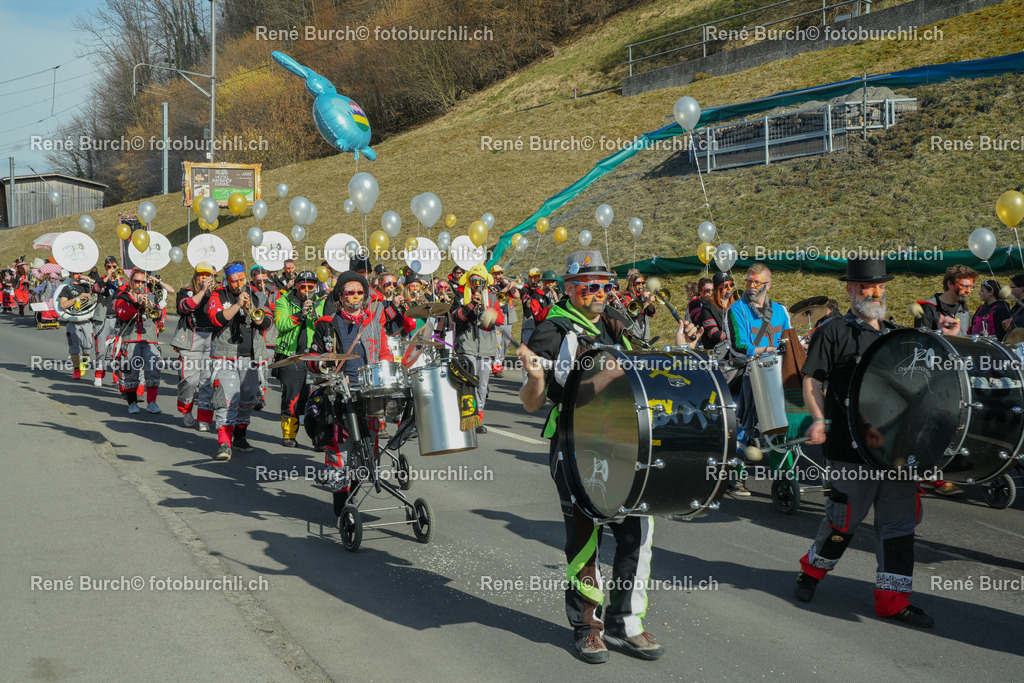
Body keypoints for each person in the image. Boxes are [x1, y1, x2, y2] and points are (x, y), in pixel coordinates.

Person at [518, 250, 701, 664]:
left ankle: (625, 622)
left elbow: (645, 370)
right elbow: (532, 403)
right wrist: (534, 377)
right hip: (576, 446)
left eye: (606, 285)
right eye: (591, 287)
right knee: (586, 539)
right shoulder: (553, 330)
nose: (601, 293)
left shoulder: (618, 321)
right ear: (570, 289)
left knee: (638, 532)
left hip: (625, 444)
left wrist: (677, 351)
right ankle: (588, 626)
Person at [794, 256, 957, 628]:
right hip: (850, 447)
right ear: (850, 289)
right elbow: (812, 381)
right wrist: (818, 418)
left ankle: (893, 600)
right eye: (867, 287)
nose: (875, 292)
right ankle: (811, 574)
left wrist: (946, 339)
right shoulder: (832, 331)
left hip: (895, 448)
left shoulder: (894, 334)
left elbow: (919, 384)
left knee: (899, 525)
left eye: (880, 287)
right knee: (843, 522)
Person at [306, 271, 393, 519]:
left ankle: (353, 491)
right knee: (340, 450)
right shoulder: (327, 324)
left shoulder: (375, 324)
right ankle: (340, 497)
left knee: (368, 451)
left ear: (365, 296)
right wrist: (324, 365)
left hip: (369, 394)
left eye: (359, 292)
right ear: (340, 297)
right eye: (350, 292)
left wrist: (386, 369)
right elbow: (313, 358)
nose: (355, 296)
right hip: (339, 394)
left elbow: (386, 353)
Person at [726, 264, 791, 494]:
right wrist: (767, 350)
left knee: (780, 426)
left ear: (767, 285)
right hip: (748, 372)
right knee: (743, 426)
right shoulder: (736, 310)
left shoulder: (782, 311)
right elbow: (738, 346)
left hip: (776, 374)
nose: (751, 286)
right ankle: (736, 477)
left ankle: (784, 479)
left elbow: (789, 340)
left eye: (756, 282)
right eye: (748, 282)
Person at [914, 264, 977, 496]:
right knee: (929, 427)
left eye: (971, 286)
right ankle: (921, 476)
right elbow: (922, 349)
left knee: (949, 426)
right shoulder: (928, 309)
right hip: (932, 378)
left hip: (956, 375)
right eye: (964, 286)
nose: (969, 290)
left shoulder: (963, 307)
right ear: (950, 284)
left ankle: (933, 474)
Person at [206, 261, 273, 460]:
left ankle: (240, 436)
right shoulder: (218, 295)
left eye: (241, 280)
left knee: (247, 400)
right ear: (227, 280)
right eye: (234, 281)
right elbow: (216, 319)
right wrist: (237, 305)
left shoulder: (258, 295)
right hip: (226, 355)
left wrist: (252, 308)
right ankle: (224, 442)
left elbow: (267, 323)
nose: (238, 284)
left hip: (251, 356)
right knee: (227, 399)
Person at [274, 270, 327, 447]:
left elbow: (325, 324)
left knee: (320, 398)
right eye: (302, 286)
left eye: (310, 286)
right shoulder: (284, 301)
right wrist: (300, 315)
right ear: (296, 286)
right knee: (292, 397)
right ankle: (289, 435)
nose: (306, 289)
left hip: (314, 356)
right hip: (292, 356)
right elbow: (280, 325)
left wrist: (315, 314)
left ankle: (320, 438)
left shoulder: (320, 302)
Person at [451, 265, 504, 434]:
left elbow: (500, 320)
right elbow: (456, 318)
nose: (477, 284)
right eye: (474, 281)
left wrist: (488, 310)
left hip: (486, 347)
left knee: (482, 385)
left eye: (481, 281)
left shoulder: (492, 297)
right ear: (469, 280)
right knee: (467, 383)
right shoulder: (460, 295)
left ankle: (478, 420)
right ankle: (465, 417)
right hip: (467, 345)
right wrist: (471, 305)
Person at [113, 268, 169, 414]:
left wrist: (152, 307)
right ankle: (132, 403)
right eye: (136, 281)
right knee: (131, 373)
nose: (139, 284)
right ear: (131, 282)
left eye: (142, 282)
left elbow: (158, 316)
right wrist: (137, 304)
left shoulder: (150, 296)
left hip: (149, 340)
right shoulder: (122, 296)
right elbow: (123, 315)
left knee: (153, 372)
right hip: (130, 340)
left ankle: (152, 403)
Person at [171, 262, 217, 430]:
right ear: (195, 275)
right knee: (190, 380)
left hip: (211, 338)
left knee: (207, 381)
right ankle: (186, 410)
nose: (204, 278)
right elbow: (184, 307)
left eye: (208, 275)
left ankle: (204, 417)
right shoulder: (186, 291)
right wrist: (203, 291)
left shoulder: (217, 293)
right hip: (191, 337)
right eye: (201, 274)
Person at [91, 257, 125, 387]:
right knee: (101, 350)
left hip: (117, 320)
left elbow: (125, 292)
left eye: (114, 267)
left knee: (116, 351)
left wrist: (117, 279)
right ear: (105, 267)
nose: (112, 269)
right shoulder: (101, 280)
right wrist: (106, 278)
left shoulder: (121, 281)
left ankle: (117, 378)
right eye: (109, 267)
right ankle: (99, 375)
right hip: (103, 319)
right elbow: (95, 289)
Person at [56, 271, 97, 380]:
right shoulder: (67, 288)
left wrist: (88, 280)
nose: (77, 274)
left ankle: (83, 361)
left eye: (79, 272)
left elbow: (100, 286)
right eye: (75, 273)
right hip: (72, 320)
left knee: (89, 346)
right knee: (73, 348)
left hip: (86, 319)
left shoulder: (87, 285)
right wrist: (78, 297)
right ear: (70, 273)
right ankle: (76, 369)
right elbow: (63, 305)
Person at [620, 269, 656, 342]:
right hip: (632, 329)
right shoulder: (626, 296)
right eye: (638, 283)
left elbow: (652, 313)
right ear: (632, 284)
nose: (641, 285)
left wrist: (649, 301)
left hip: (643, 328)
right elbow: (632, 312)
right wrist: (647, 302)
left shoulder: (642, 296)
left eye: (643, 283)